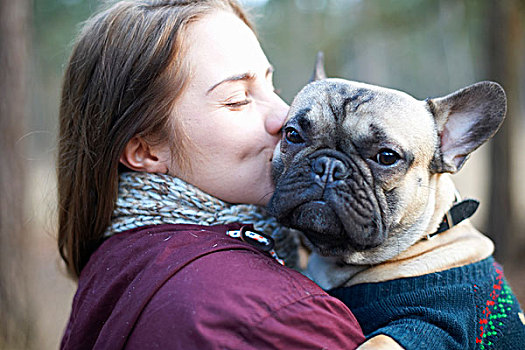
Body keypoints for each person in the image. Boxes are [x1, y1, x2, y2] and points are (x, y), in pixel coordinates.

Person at [57, 0, 365, 348]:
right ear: (144, 150)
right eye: (237, 99)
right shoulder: (265, 316)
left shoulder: (120, 259)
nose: (285, 116)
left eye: (272, 86)